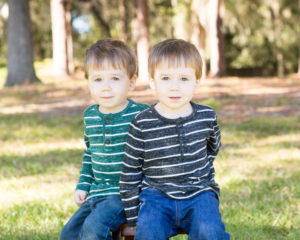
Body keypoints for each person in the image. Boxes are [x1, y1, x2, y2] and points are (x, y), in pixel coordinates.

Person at [120, 39, 230, 240]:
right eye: (166, 78)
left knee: (210, 232)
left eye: (184, 79)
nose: (174, 87)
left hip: (199, 193)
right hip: (156, 196)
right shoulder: (142, 123)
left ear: (196, 81)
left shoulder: (206, 116)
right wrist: (133, 217)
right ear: (152, 81)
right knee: (148, 233)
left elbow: (212, 148)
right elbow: (130, 171)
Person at [60, 39, 148, 240]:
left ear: (131, 81)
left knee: (93, 229)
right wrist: (83, 185)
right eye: (97, 79)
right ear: (88, 82)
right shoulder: (90, 115)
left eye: (115, 78)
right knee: (69, 234)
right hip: (96, 192)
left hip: (125, 194)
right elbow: (90, 154)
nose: (106, 87)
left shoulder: (140, 115)